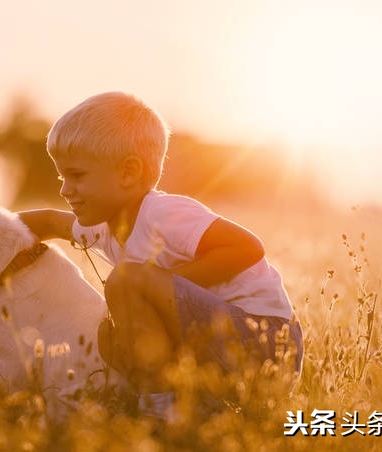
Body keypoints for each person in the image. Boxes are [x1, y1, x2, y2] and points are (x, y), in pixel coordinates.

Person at [17, 91, 303, 423]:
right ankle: (189, 405)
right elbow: (49, 222)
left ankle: (159, 412)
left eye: (77, 175)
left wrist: (162, 285)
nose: (65, 189)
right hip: (221, 346)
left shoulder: (164, 214)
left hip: (267, 343)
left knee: (127, 282)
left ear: (128, 172)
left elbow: (247, 247)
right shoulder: (103, 226)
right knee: (108, 334)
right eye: (61, 177)